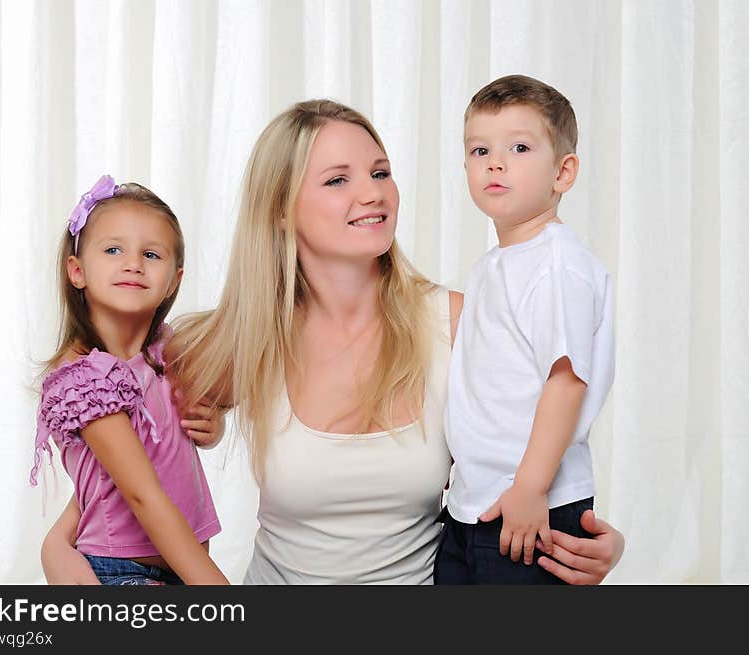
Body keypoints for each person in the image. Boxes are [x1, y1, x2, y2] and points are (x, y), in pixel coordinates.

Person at [44, 101, 624, 584]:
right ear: (280, 210)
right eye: (337, 180)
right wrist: (59, 544)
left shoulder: (458, 323)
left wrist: (586, 536)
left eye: (380, 171)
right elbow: (126, 457)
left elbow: (543, 431)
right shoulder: (237, 342)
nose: (372, 193)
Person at [434, 75, 615, 584]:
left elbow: (566, 380)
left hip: (531, 504)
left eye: (519, 147)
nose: (495, 162)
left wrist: (532, 488)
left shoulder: (556, 265)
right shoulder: (495, 265)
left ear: (563, 172)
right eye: (479, 149)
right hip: (474, 502)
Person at [31, 176, 230, 585]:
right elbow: (142, 494)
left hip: (176, 567)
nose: (133, 263)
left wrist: (214, 422)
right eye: (113, 249)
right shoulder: (84, 381)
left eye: (151, 254)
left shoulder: (163, 350)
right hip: (120, 573)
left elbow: (217, 396)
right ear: (77, 270)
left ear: (175, 279)